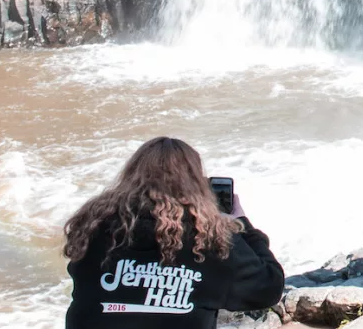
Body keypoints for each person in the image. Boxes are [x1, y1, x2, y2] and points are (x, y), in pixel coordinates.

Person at [63, 137, 284, 329]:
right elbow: (268, 288)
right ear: (196, 184)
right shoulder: (209, 239)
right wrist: (242, 226)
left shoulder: (94, 227)